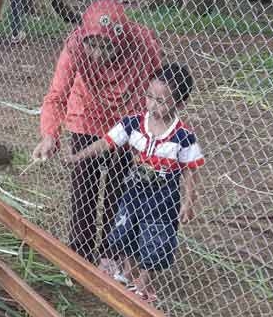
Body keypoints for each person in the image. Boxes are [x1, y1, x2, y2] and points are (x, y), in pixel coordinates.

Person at [34, 0, 162, 264]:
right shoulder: (75, 46)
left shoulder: (143, 45)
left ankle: (112, 252)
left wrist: (155, 132)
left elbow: (160, 90)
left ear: (122, 40)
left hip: (127, 123)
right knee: (85, 188)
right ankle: (79, 254)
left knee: (121, 187)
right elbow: (57, 95)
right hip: (87, 116)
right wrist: (50, 135)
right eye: (93, 45)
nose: (98, 55)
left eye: (107, 47)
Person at [64, 63, 204, 302]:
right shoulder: (134, 123)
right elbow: (107, 142)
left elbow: (191, 171)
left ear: (179, 104)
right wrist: (79, 155)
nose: (152, 105)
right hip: (134, 193)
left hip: (163, 200)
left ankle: (143, 281)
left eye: (162, 101)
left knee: (155, 237)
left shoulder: (183, 137)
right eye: (149, 97)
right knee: (125, 230)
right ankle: (126, 271)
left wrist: (188, 202)